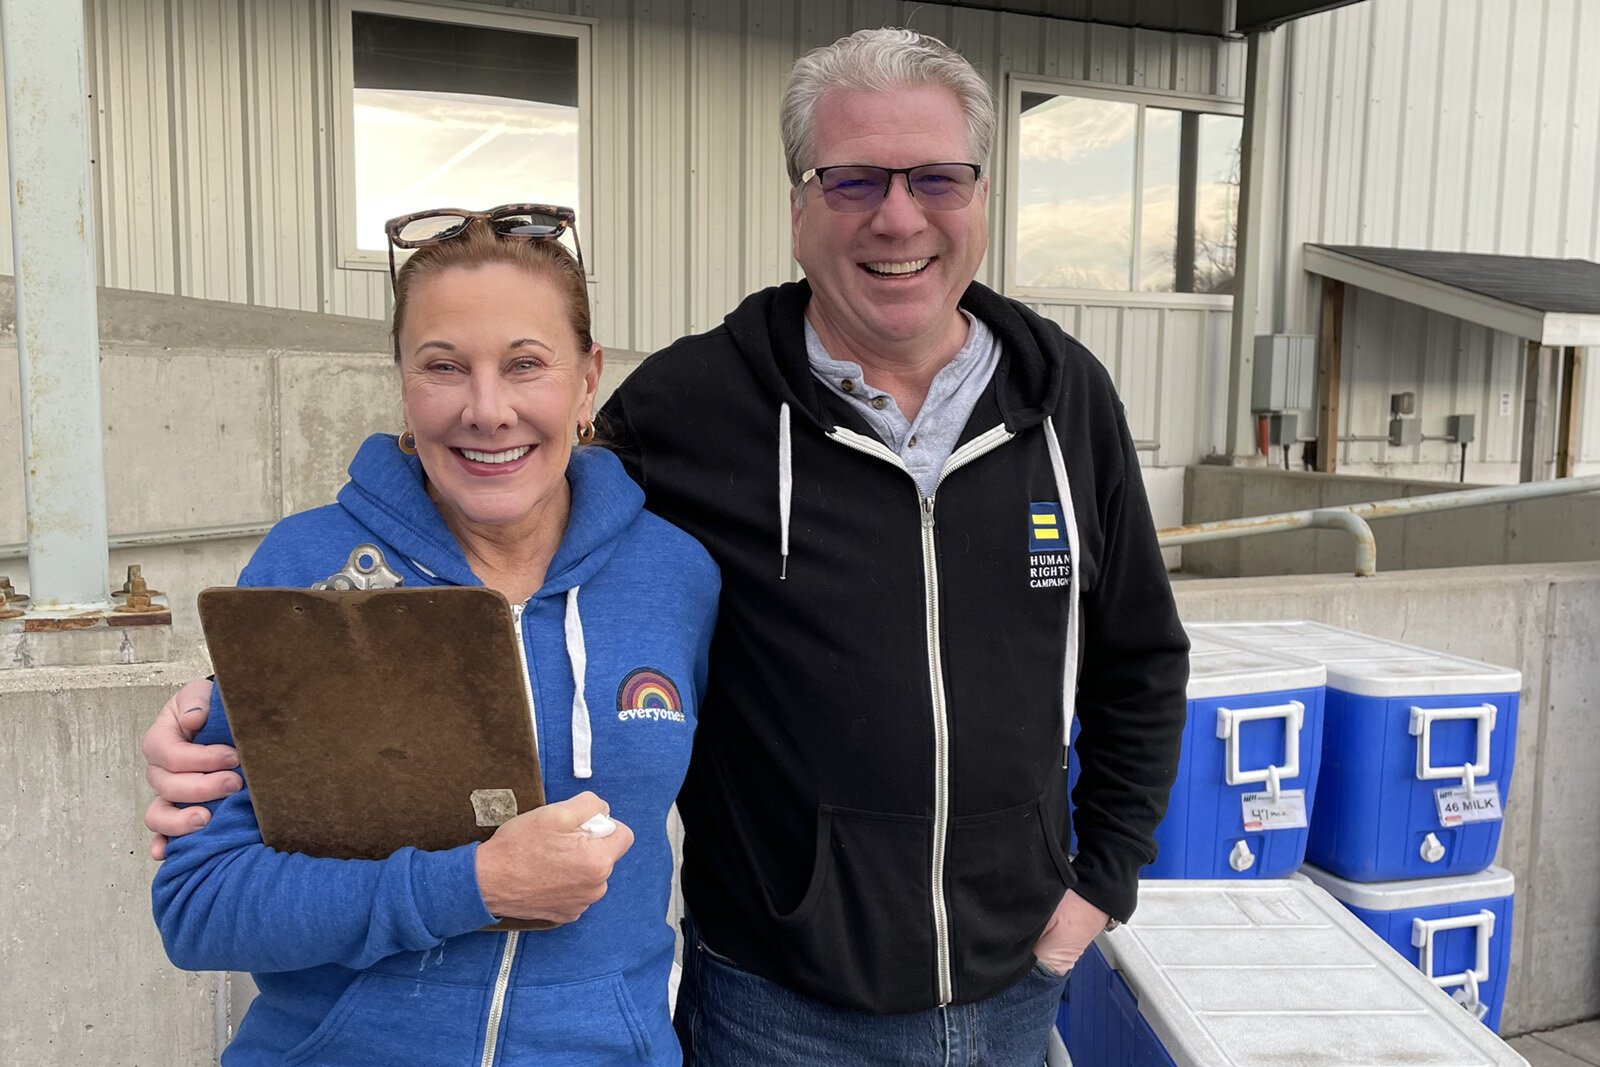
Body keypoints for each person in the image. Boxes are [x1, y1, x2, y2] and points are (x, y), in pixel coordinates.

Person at [145, 29, 1187, 1065]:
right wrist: (213, 720)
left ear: (583, 376)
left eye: (936, 179)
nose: (898, 214)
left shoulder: (1062, 402)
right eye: (854, 180)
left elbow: (1138, 655)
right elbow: (213, 881)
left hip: (1009, 986)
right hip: (777, 1008)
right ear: (798, 207)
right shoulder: (690, 410)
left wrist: (1100, 883)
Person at [149, 211, 719, 1066]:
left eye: (526, 364)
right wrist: (473, 886)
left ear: (589, 379)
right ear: (403, 386)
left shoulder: (677, 577)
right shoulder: (307, 566)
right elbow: (201, 905)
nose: (488, 411)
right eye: (444, 366)